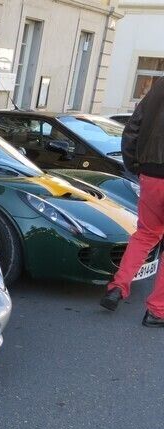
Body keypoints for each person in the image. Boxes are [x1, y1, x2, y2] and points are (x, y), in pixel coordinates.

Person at [100, 76, 164, 327]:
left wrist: (135, 165)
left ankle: (117, 287)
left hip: (150, 174)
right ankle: (157, 311)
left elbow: (132, 129)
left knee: (145, 234)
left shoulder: (158, 86)